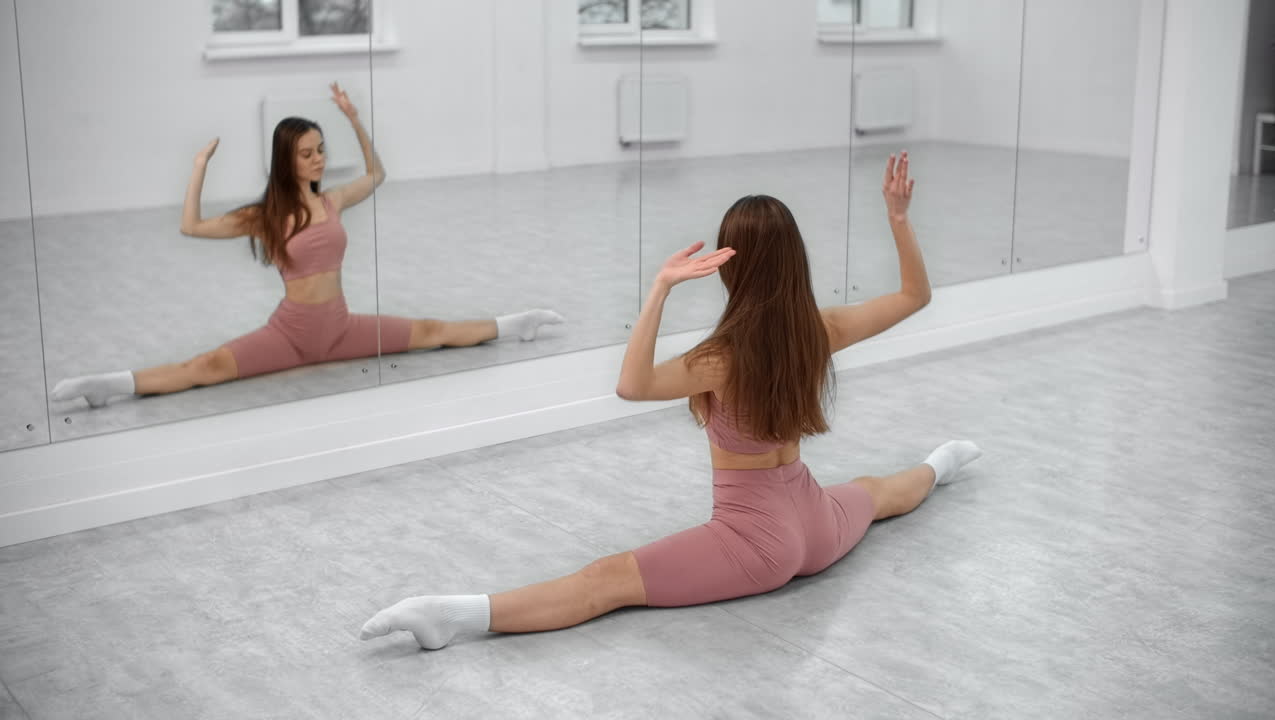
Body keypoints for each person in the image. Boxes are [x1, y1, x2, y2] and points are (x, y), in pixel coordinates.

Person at [359, 151, 982, 650]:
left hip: (757, 542)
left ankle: (456, 617)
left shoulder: (721, 357)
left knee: (605, 581)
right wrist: (899, 219)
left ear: (729, 264)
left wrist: (661, 289)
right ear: (795, 261)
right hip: (815, 524)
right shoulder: (818, 330)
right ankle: (944, 462)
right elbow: (914, 296)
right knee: (877, 492)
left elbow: (631, 384)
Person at [51, 83, 563, 408]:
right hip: (290, 336)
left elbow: (377, 174)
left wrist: (354, 119)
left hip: (340, 329)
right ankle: (111, 385)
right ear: (286, 160)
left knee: (432, 329)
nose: (318, 160)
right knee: (203, 369)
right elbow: (191, 226)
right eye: (307, 153)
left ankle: (515, 325)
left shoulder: (334, 201)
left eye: (321, 150)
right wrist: (199, 168)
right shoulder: (263, 217)